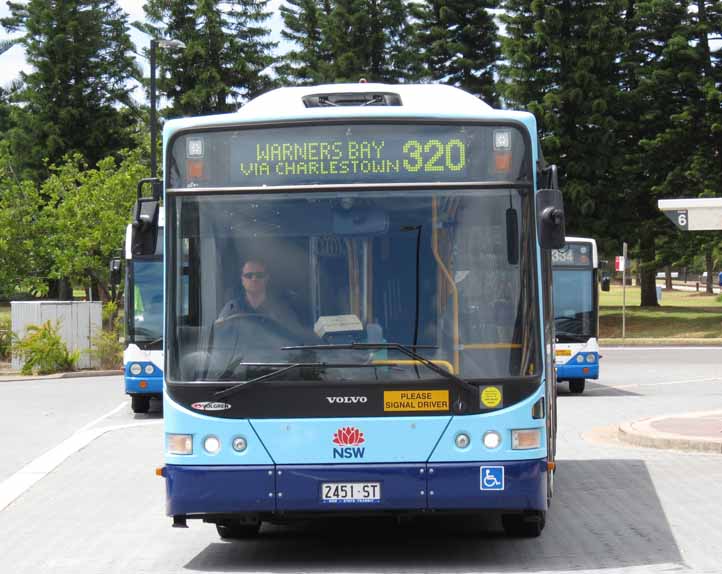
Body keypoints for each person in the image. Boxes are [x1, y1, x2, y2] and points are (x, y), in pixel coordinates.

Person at [217, 258, 303, 334]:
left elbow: (294, 338)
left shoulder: (282, 310)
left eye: (259, 275)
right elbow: (220, 338)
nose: (254, 279)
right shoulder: (231, 308)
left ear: (267, 278)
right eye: (249, 276)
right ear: (242, 280)